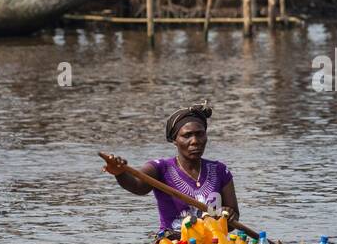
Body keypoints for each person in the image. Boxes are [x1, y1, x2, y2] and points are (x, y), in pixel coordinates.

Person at [103, 101, 240, 235]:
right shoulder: (160, 168)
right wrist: (120, 174)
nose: (195, 141)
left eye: (199, 134)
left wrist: (228, 215)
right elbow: (138, 186)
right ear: (175, 140)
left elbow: (233, 221)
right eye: (187, 135)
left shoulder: (220, 170)